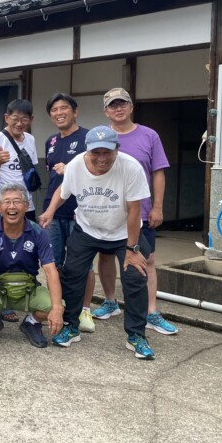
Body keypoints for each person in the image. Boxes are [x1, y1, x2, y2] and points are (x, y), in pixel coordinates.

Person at [39, 126, 155, 359]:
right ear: (87, 151)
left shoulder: (130, 167)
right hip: (88, 229)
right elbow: (64, 189)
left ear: (117, 150)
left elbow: (134, 211)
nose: (101, 158)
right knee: (72, 274)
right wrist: (50, 211)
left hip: (124, 232)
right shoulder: (75, 165)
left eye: (107, 152)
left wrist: (132, 249)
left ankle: (136, 335)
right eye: (96, 153)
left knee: (135, 276)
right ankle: (71, 327)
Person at [88, 88, 177, 335]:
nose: (118, 108)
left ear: (131, 107)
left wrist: (158, 207)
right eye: (113, 105)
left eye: (123, 104)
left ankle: (151, 312)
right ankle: (109, 301)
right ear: (106, 110)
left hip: (142, 212)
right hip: (107, 212)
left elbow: (158, 172)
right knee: (105, 257)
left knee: (146, 260)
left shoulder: (149, 135)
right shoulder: (99, 136)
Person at [0, 184, 64, 348]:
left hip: (28, 287)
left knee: (57, 305)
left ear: (26, 206)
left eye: (17, 201)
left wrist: (57, 309)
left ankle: (32, 322)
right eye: (6, 202)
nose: (12, 207)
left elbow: (51, 272)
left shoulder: (39, 233)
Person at [42, 93, 93, 332]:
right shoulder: (50, 141)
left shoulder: (87, 138)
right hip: (53, 212)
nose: (59, 113)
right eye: (54, 110)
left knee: (83, 264)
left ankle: (84, 311)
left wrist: (72, 169)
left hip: (81, 211)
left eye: (64, 108)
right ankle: (61, 306)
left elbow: (97, 169)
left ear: (75, 111)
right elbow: (51, 176)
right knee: (54, 263)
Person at [0, 98, 40, 222]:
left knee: (28, 239)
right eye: (15, 118)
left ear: (31, 120)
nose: (19, 123)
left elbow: (31, 172)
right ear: (7, 118)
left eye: (24, 119)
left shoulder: (30, 140)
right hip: (3, 206)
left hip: (26, 205)